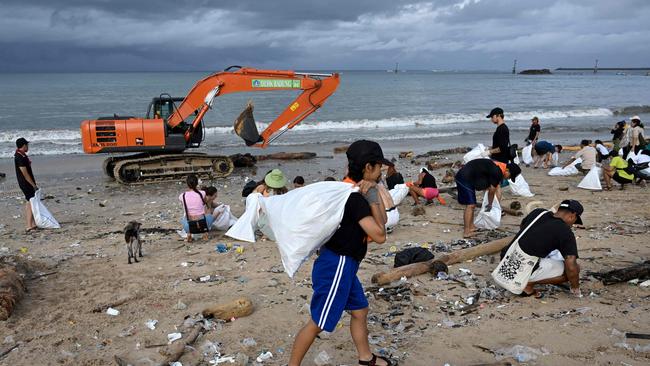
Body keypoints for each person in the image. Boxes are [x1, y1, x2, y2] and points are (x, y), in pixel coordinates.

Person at [289, 140, 394, 366]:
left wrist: (373, 192)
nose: (382, 170)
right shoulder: (354, 198)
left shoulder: (353, 190)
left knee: (360, 310)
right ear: (368, 167)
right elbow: (380, 235)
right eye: (379, 167)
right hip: (337, 265)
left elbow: (383, 219)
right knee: (318, 322)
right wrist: (369, 196)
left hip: (344, 265)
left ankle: (366, 358)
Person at [497, 200, 584, 298]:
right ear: (572, 215)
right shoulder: (565, 232)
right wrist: (575, 287)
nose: (573, 225)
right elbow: (571, 267)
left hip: (505, 259)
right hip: (522, 270)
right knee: (574, 268)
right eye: (575, 221)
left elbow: (523, 226)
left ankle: (523, 277)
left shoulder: (538, 212)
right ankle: (527, 284)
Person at [454, 159, 521, 238]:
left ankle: (471, 227)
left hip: (468, 176)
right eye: (510, 176)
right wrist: (489, 205)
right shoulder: (497, 172)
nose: (508, 178)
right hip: (464, 178)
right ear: (507, 170)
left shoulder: (498, 166)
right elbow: (492, 191)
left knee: (472, 205)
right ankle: (466, 231)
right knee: (470, 205)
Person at [179, 174, 214, 242]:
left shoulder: (182, 196)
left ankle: (189, 234)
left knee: (184, 217)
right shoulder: (202, 193)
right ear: (197, 183)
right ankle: (205, 233)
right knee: (209, 214)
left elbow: (185, 206)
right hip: (203, 224)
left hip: (188, 226)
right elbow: (205, 203)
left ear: (187, 184)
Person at [14, 138, 37, 232]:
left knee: (29, 201)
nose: (28, 147)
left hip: (27, 182)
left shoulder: (22, 155)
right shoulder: (19, 157)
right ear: (23, 145)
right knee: (31, 201)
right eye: (27, 145)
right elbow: (25, 173)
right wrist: (33, 185)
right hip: (25, 183)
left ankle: (31, 224)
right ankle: (29, 225)